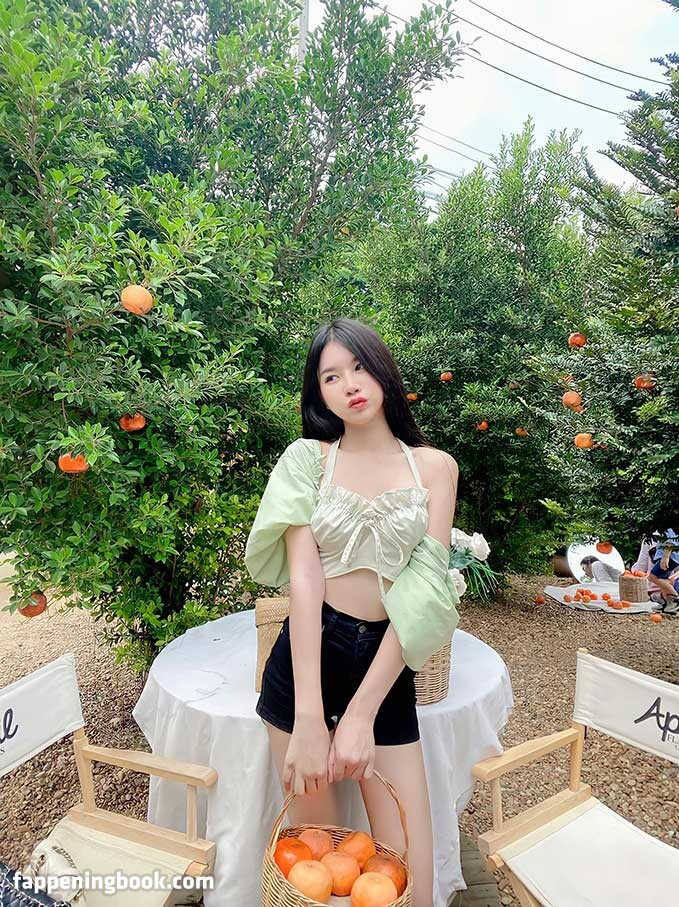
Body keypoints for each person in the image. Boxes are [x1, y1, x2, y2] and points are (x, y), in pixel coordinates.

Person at [244, 318, 460, 907]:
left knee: (409, 876)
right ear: (320, 394)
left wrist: (362, 713)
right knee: (318, 869)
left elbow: (425, 591)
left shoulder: (435, 468)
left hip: (387, 664)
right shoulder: (307, 460)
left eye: (360, 366)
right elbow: (305, 581)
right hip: (306, 664)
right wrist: (310, 719)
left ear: (383, 369)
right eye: (331, 376)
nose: (350, 384)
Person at [648, 529, 679, 616]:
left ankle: (675, 599)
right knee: (662, 579)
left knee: (653, 577)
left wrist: (665, 557)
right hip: (669, 556)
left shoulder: (670, 524)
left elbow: (671, 540)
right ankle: (667, 602)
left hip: (671, 557)